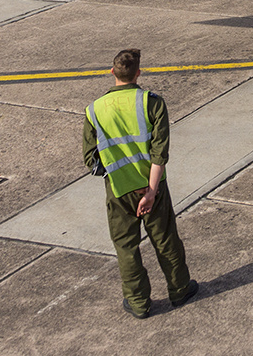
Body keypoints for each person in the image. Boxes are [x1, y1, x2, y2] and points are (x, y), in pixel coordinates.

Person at [83, 48, 198, 318]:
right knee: (166, 240)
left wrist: (117, 175)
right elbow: (160, 153)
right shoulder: (152, 103)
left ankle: (138, 303)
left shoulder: (94, 111)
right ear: (138, 73)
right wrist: (151, 191)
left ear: (112, 73)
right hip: (153, 187)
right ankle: (179, 290)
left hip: (118, 190)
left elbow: (91, 159)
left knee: (126, 247)